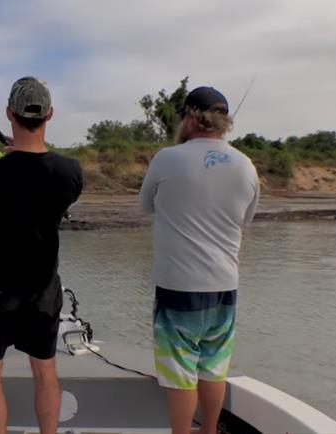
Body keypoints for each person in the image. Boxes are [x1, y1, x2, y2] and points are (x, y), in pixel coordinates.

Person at [0, 76, 82, 434]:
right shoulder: (71, 172)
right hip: (43, 293)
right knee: (45, 370)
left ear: (9, 113)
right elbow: (49, 186)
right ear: (50, 115)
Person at [138, 86, 260, 434]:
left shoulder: (166, 158)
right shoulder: (246, 165)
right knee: (213, 367)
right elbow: (245, 219)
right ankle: (208, 430)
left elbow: (146, 205)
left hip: (178, 287)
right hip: (225, 287)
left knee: (180, 372)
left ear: (190, 117)